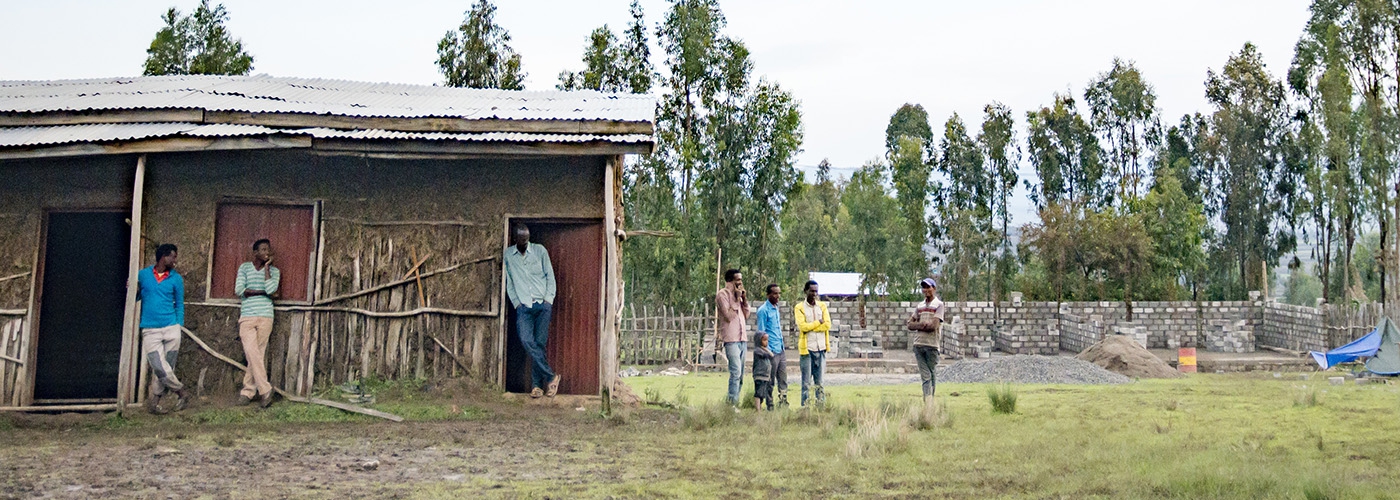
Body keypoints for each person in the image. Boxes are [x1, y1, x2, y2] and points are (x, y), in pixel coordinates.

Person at [504, 224, 560, 398]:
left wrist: (548, 301)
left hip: (542, 305)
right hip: (524, 307)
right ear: (515, 240)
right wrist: (517, 304)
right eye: (522, 240)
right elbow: (509, 281)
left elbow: (550, 276)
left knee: (540, 344)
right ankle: (551, 376)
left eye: (527, 239)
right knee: (527, 341)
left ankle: (537, 386)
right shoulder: (508, 255)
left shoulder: (540, 251)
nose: (525, 243)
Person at [137, 243, 189, 414]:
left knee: (167, 367)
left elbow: (179, 303)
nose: (175, 260)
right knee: (159, 367)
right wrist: (131, 288)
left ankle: (156, 402)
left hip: (171, 327)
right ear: (163, 257)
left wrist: (178, 325)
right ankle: (181, 392)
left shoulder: (176, 279)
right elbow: (136, 297)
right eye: (173, 256)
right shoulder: (143, 275)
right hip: (150, 328)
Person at [235, 238, 280, 408]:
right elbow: (239, 290)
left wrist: (267, 268)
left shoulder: (274, 271)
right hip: (247, 316)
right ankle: (265, 389)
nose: (266, 252)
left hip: (266, 315)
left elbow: (271, 290)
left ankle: (247, 392)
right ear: (255, 253)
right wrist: (263, 293)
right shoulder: (244, 268)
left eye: (268, 249)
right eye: (262, 249)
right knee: (251, 351)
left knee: (257, 354)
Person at [906, 278, 946, 404]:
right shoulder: (920, 306)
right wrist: (922, 324)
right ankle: (928, 403)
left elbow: (934, 326)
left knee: (932, 373)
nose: (926, 290)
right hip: (919, 344)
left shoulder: (939, 305)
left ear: (934, 288)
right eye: (924, 287)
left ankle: (929, 402)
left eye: (928, 287)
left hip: (932, 345)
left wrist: (920, 325)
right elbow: (910, 324)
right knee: (926, 375)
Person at [715, 268, 750, 406]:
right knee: (735, 372)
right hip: (731, 339)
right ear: (730, 281)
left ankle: (736, 401)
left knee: (741, 374)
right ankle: (731, 404)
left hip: (742, 339)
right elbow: (728, 316)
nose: (740, 283)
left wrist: (744, 300)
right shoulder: (722, 295)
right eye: (738, 280)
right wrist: (736, 299)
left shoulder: (739, 295)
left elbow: (746, 315)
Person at [793, 280, 831, 406]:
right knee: (806, 383)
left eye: (816, 291)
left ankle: (821, 407)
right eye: (812, 291)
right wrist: (817, 323)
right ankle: (805, 408)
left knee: (819, 382)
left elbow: (827, 325)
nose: (814, 294)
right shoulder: (799, 308)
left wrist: (813, 326)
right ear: (806, 291)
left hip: (821, 348)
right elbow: (803, 327)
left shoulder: (822, 306)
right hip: (807, 349)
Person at [755, 283, 788, 407]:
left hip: (780, 349)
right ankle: (770, 405)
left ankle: (783, 402)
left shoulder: (776, 307)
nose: (778, 296)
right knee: (770, 380)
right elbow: (761, 333)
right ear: (768, 294)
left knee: (783, 379)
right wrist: (767, 351)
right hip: (771, 351)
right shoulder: (763, 310)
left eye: (779, 293)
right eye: (775, 293)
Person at [752, 332, 775, 411]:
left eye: (767, 340)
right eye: (764, 340)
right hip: (759, 375)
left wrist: (765, 348)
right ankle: (758, 410)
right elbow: (770, 355)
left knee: (763, 393)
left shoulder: (763, 350)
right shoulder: (757, 351)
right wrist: (765, 349)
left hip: (765, 376)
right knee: (759, 393)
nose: (766, 342)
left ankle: (759, 408)